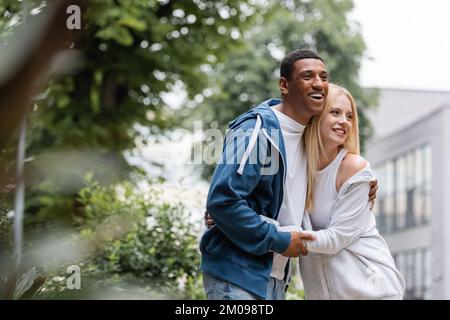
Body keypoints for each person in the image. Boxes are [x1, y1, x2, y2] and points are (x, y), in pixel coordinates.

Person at [200, 48, 378, 300]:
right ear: (284, 85)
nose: (318, 82)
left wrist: (363, 181)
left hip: (275, 279)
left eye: (324, 76)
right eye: (307, 76)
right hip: (237, 273)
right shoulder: (256, 130)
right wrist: (279, 238)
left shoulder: (306, 141)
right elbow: (223, 201)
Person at [299, 83, 405, 299]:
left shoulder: (354, 168)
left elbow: (334, 240)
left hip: (372, 292)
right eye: (335, 112)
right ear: (314, 114)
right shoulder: (295, 169)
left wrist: (273, 236)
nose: (343, 121)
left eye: (349, 116)